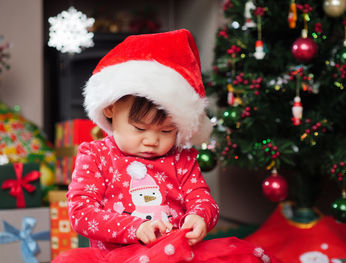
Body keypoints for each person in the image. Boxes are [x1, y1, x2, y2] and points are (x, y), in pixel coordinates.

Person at [53, 29, 281, 263]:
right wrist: (135, 227)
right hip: (116, 257)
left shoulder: (181, 159)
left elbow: (202, 198)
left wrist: (199, 217)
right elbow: (81, 212)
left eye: (166, 131)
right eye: (139, 129)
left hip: (178, 254)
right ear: (110, 108)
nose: (152, 140)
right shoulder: (96, 156)